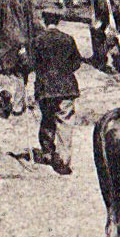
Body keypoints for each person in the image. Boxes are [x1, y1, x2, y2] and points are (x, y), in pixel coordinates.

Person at [30, 12, 81, 174]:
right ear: (58, 21)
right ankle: (63, 159)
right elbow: (76, 63)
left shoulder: (37, 40)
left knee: (47, 117)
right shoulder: (68, 39)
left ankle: (47, 152)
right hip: (66, 87)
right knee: (65, 122)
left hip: (45, 87)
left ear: (44, 21)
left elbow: (30, 63)